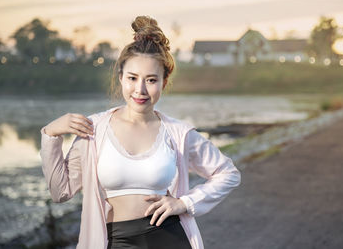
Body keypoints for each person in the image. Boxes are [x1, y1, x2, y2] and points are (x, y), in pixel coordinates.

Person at [39, 15, 241, 249]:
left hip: (169, 237)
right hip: (116, 240)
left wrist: (184, 203)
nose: (140, 89)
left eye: (151, 80)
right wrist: (51, 134)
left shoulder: (177, 133)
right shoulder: (94, 131)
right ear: (121, 78)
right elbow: (60, 192)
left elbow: (228, 173)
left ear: (164, 83)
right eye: (133, 78)